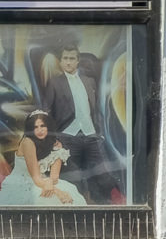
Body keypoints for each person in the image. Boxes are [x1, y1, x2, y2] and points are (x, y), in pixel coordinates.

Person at [41, 41, 125, 204]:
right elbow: (46, 112)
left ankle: (104, 210)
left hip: (90, 136)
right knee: (74, 178)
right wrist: (52, 139)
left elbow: (95, 109)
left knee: (101, 175)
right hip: (67, 137)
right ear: (60, 61)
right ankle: (76, 214)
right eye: (65, 58)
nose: (68, 62)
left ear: (77, 61)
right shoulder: (55, 83)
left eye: (72, 58)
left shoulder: (89, 81)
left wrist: (99, 133)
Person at [0, 111, 87, 207]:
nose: (39, 130)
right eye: (35, 127)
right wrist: (58, 192)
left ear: (48, 126)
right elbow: (35, 177)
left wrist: (50, 183)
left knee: (70, 193)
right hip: (23, 182)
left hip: (44, 180)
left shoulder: (56, 144)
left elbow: (54, 177)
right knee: (43, 197)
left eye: (42, 126)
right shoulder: (27, 142)